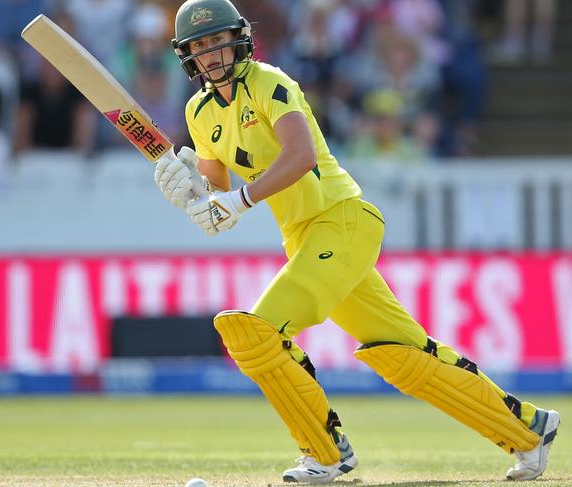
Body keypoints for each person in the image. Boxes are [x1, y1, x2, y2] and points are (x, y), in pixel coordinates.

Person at [153, 0, 560, 483]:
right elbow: (218, 190)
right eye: (200, 45)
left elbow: (300, 156)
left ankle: (325, 452)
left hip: (343, 220)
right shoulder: (198, 112)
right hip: (306, 239)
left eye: (218, 40)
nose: (212, 53)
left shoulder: (270, 82)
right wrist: (190, 186)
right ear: (188, 55)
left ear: (238, 39)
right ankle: (530, 430)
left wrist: (238, 201)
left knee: (255, 331)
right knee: (403, 355)